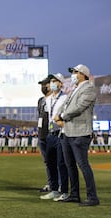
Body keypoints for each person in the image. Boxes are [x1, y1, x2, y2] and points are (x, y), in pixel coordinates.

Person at [54, 64, 100, 206]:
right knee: (70, 165)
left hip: (80, 132)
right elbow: (66, 104)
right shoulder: (75, 89)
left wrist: (61, 116)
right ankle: (74, 194)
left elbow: (78, 107)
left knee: (83, 165)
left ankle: (92, 197)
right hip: (68, 131)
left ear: (83, 74)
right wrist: (58, 115)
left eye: (75, 72)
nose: (73, 74)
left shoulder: (89, 89)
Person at [40, 73, 69, 202]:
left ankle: (64, 191)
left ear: (61, 84)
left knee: (61, 163)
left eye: (55, 81)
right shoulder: (48, 99)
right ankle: (54, 189)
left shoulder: (65, 97)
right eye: (51, 81)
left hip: (61, 133)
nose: (52, 83)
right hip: (50, 133)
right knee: (50, 163)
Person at [37, 77, 52, 192]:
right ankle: (51, 183)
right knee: (47, 162)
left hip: (51, 134)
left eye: (45, 85)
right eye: (42, 85)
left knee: (55, 161)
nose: (43, 87)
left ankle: (59, 184)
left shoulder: (55, 99)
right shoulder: (40, 100)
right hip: (42, 134)